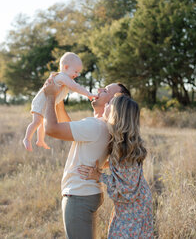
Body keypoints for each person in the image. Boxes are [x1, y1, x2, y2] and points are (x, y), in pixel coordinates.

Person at [43, 77, 131, 239]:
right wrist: (58, 102)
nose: (98, 90)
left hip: (79, 196)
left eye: (105, 90)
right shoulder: (104, 127)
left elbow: (52, 129)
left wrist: (49, 96)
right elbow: (69, 129)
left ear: (112, 103)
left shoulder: (95, 126)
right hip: (88, 193)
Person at [78, 94, 154, 238]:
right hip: (137, 203)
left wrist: (99, 176)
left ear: (116, 115)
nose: (105, 105)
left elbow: (127, 189)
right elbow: (120, 170)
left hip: (134, 207)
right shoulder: (122, 142)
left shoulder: (123, 149)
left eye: (109, 104)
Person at [23, 52, 96, 151]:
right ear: (66, 67)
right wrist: (88, 94)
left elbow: (74, 86)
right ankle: (27, 138)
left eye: (78, 72)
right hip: (40, 102)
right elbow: (75, 87)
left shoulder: (66, 78)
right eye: (76, 71)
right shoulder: (62, 77)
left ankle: (40, 140)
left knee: (42, 122)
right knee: (36, 121)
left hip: (48, 102)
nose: (77, 74)